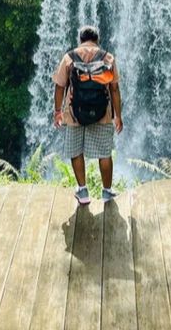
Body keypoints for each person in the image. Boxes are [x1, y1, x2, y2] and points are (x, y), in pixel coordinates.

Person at [52, 24, 123, 205]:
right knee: (104, 154)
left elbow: (60, 86)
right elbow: (114, 89)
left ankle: (83, 192)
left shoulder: (69, 58)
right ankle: (107, 192)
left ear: (81, 40)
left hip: (74, 114)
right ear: (97, 40)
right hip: (103, 113)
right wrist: (118, 116)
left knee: (76, 151)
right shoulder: (108, 57)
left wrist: (58, 111)